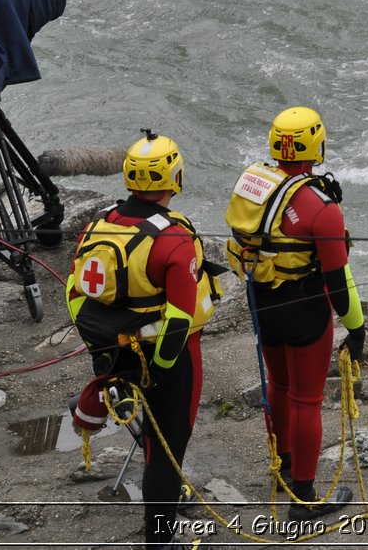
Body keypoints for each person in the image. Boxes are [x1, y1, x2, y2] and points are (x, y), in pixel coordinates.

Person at [67, 131, 221, 549]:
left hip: (113, 350)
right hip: (167, 357)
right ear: (175, 176)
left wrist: (105, 351)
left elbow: (75, 290)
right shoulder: (174, 238)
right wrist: (162, 370)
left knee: (149, 433)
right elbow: (179, 317)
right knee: (169, 442)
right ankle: (160, 539)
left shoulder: (99, 224)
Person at [226, 106, 365, 523]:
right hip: (306, 310)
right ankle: (302, 499)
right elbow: (338, 280)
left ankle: (284, 466)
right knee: (307, 400)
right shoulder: (322, 206)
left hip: (263, 303)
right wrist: (356, 329)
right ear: (316, 146)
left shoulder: (255, 185)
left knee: (280, 386)